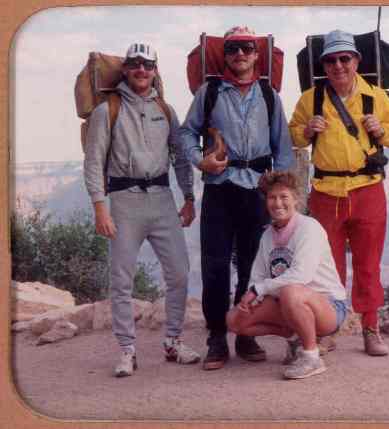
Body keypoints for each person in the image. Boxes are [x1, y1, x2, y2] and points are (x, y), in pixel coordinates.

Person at [289, 30, 389, 356]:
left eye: (345, 58)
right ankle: (329, 330)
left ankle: (371, 328)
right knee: (327, 267)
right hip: (326, 192)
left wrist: (382, 130)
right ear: (323, 65)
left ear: (357, 60)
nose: (338, 65)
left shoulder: (376, 96)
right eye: (331, 60)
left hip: (367, 189)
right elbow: (294, 137)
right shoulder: (311, 99)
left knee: (369, 264)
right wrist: (305, 130)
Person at [179, 26, 294, 370]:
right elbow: (187, 132)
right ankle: (217, 336)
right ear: (225, 55)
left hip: (258, 189)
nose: (240, 54)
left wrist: (282, 197)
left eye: (246, 47)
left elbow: (282, 147)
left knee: (252, 265)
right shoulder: (209, 92)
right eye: (232, 49)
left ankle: (245, 332)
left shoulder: (269, 95)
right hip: (219, 187)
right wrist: (199, 159)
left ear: (257, 54)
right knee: (215, 265)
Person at [84, 43, 200, 377]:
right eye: (134, 64)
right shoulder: (107, 110)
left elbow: (179, 157)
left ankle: (173, 342)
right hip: (123, 201)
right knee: (121, 280)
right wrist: (99, 208)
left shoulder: (166, 110)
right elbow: (93, 163)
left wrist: (189, 198)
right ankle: (126, 350)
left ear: (155, 70)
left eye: (147, 65)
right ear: (125, 69)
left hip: (162, 199)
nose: (141, 70)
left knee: (179, 273)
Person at [226, 171, 347, 379]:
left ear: (296, 199)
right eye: (272, 198)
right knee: (235, 320)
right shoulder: (267, 236)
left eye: (284, 197)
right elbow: (258, 276)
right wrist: (253, 297)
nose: (278, 203)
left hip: (328, 306)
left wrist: (259, 290)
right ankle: (294, 337)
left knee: (291, 290)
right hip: (288, 303)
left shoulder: (309, 228)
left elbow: (301, 275)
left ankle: (311, 357)